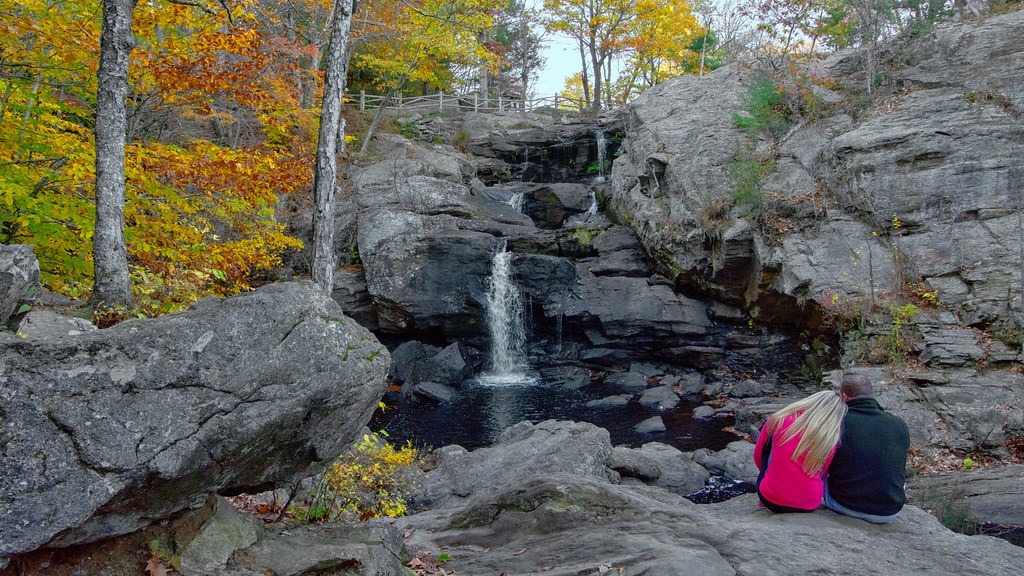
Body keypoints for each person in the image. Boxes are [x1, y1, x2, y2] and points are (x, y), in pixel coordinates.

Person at [824, 373, 910, 523]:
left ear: (844, 397)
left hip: (846, 504)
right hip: (890, 511)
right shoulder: (899, 424)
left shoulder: (838, 424)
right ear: (871, 394)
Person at [753, 390, 848, 513]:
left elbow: (758, 454)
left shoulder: (779, 419)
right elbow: (823, 472)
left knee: (767, 450)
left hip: (771, 500)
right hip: (809, 504)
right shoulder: (830, 437)